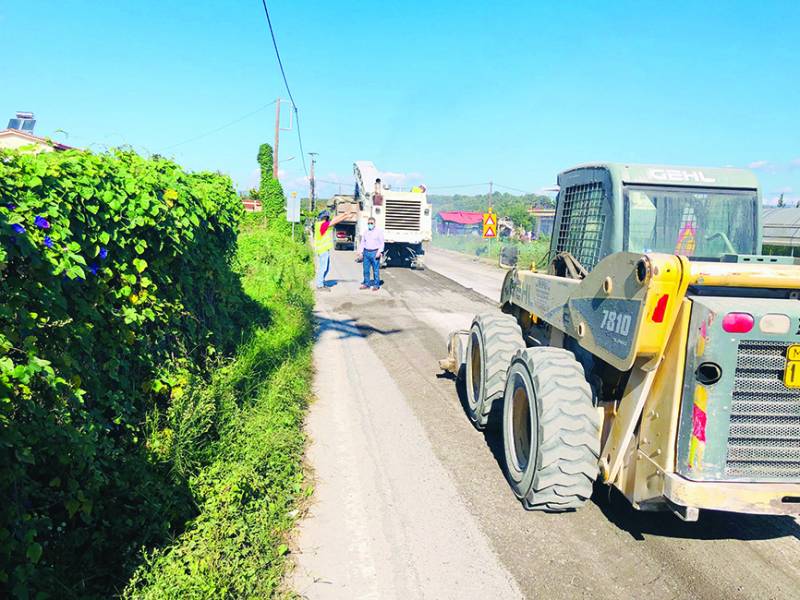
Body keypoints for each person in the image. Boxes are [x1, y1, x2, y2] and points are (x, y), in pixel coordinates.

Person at [314, 209, 355, 292]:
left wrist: (344, 213)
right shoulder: (322, 225)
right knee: (323, 268)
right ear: (325, 217)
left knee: (326, 268)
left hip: (323, 250)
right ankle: (319, 285)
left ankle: (321, 282)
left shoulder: (322, 224)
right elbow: (335, 221)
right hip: (322, 250)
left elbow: (334, 219)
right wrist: (346, 216)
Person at [357, 216, 385, 291]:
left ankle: (376, 284)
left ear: (374, 223)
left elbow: (382, 243)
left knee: (375, 270)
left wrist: (379, 252)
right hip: (366, 252)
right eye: (368, 223)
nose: (370, 224)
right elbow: (362, 242)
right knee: (366, 270)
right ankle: (366, 284)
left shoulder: (379, 232)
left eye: (371, 223)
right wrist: (360, 252)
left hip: (374, 252)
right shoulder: (366, 232)